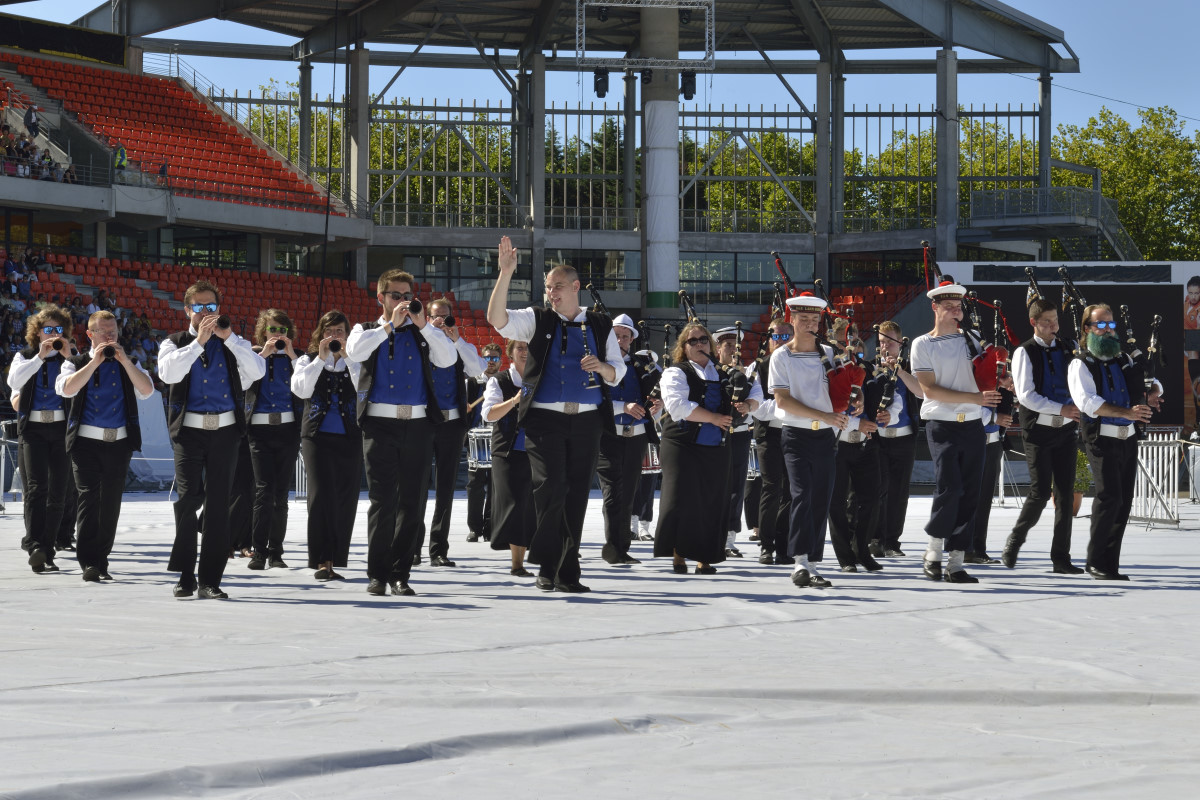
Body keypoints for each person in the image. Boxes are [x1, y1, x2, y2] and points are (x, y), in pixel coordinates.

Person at [487, 236, 624, 593]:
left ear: (576, 287)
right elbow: (497, 319)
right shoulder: (536, 319)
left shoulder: (599, 324)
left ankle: (566, 571)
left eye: (559, 287)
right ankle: (547, 564)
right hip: (544, 421)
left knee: (577, 493)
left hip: (587, 420)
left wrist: (602, 368)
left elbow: (618, 372)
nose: (552, 293)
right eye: (549, 288)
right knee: (550, 489)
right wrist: (505, 274)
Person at [346, 268, 456, 597]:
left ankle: (400, 573)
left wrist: (423, 324)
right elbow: (355, 352)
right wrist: (390, 324)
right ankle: (377, 574)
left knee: (413, 501)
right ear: (380, 297)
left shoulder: (425, 333)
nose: (403, 302)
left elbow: (448, 358)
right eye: (395, 296)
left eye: (408, 296)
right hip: (380, 424)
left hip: (419, 424)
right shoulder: (365, 329)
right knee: (382, 501)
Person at [158, 280, 266, 600]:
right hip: (189, 433)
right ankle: (186, 574)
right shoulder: (174, 343)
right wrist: (198, 343)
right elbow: (168, 373)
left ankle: (211, 579)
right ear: (188, 310)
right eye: (200, 307)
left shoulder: (234, 343)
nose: (206, 313)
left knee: (220, 506)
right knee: (188, 501)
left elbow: (257, 370)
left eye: (212, 307)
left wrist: (227, 338)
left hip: (225, 432)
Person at [910, 280, 1002, 584]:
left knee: (970, 493)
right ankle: (933, 551)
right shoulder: (922, 344)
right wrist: (976, 398)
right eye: (948, 306)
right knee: (950, 487)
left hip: (973, 424)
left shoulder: (974, 340)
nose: (955, 311)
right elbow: (929, 389)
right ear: (935, 308)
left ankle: (956, 562)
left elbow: (989, 373)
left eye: (958, 306)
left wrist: (1003, 380)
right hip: (942, 424)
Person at [56, 311, 154, 582]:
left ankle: (102, 559)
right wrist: (93, 362)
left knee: (110, 503)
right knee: (89, 498)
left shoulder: (130, 361)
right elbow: (66, 389)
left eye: (113, 332)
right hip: (85, 442)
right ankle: (88, 562)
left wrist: (124, 360)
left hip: (119, 442)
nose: (109, 337)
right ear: (90, 335)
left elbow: (147, 390)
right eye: (103, 332)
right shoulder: (74, 362)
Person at [1068, 303, 1162, 580]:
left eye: (1111, 325)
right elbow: (1087, 403)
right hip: (1101, 439)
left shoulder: (1124, 359)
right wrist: (1127, 413)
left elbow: (1149, 380)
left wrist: (1154, 392)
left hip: (1128, 438)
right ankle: (1095, 561)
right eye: (1101, 325)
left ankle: (1110, 564)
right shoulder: (1080, 364)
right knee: (1109, 498)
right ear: (1087, 328)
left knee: (1124, 501)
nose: (1107, 330)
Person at [770, 294, 851, 588]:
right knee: (802, 494)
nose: (809, 324)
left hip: (825, 436)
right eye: (803, 319)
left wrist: (855, 397)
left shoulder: (830, 354)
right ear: (792, 320)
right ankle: (800, 562)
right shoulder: (781, 356)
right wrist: (826, 416)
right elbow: (783, 400)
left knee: (821, 498)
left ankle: (813, 563)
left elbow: (847, 388)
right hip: (796, 434)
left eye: (815, 319)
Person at [1002, 297, 1084, 573]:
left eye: (1055, 320)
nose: (1053, 326)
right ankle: (1016, 539)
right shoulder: (1023, 352)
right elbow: (1026, 396)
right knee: (1039, 493)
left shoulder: (1068, 347)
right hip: (1038, 431)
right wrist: (1062, 408)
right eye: (1047, 322)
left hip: (1066, 431)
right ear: (1033, 323)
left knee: (1065, 495)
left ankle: (1061, 558)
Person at [654, 322, 739, 575]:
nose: (699, 344)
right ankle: (679, 554)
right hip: (681, 443)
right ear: (684, 347)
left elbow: (754, 396)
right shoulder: (675, 373)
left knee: (713, 500)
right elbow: (678, 406)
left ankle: (705, 557)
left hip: (717, 443)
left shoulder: (725, 373)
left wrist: (748, 403)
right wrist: (713, 418)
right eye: (693, 341)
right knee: (681, 499)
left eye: (703, 340)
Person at [417, 296, 489, 567]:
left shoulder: (460, 345)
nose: (440, 321)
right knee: (418, 487)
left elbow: (479, 369)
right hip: (424, 422)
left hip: (452, 423)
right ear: (426, 316)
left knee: (445, 490)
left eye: (446, 316)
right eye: (435, 316)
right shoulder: (419, 342)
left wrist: (457, 339)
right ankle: (413, 547)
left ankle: (438, 550)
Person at [291, 311, 361, 582]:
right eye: (329, 331)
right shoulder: (308, 360)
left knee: (345, 498)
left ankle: (334, 558)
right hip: (316, 437)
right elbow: (301, 390)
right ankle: (321, 559)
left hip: (349, 437)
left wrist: (347, 357)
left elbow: (364, 388)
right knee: (320, 496)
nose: (335, 336)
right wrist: (321, 359)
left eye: (340, 331)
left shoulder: (356, 361)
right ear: (321, 334)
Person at [6, 305, 71, 574]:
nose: (53, 334)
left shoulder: (71, 358)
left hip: (61, 428)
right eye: (48, 329)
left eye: (58, 330)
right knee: (35, 488)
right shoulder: (25, 356)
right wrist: (40, 358)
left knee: (58, 493)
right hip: (32, 429)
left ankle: (47, 548)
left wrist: (71, 356)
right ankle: (34, 545)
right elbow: (13, 381)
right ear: (37, 331)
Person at [597, 313, 662, 565]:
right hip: (608, 435)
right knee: (613, 492)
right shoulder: (599, 363)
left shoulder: (640, 366)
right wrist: (623, 407)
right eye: (616, 335)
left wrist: (658, 405)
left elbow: (656, 395)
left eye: (625, 336)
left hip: (636, 437)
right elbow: (597, 400)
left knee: (629, 492)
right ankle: (614, 547)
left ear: (631, 340)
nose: (621, 339)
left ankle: (621, 547)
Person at [244, 309, 302, 571]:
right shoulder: (254, 356)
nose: (278, 334)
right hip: (259, 430)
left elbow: (305, 384)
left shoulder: (297, 358)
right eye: (272, 329)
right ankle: (259, 550)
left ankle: (276, 551)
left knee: (281, 494)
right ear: (262, 331)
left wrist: (290, 354)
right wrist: (264, 354)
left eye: (282, 330)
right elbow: (243, 381)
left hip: (287, 429)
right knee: (263, 491)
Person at [869, 320, 923, 558]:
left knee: (899, 492)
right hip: (877, 438)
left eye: (890, 342)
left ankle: (892, 541)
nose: (885, 347)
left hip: (904, 438)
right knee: (877, 488)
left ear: (900, 343)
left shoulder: (911, 367)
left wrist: (899, 370)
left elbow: (921, 392)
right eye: (881, 342)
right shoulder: (870, 367)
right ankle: (874, 538)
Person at [483, 338, 536, 577]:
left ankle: (526, 559)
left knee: (532, 506)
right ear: (511, 353)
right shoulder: (499, 381)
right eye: (520, 348)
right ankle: (517, 563)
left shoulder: (542, 377)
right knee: (515, 505)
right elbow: (489, 415)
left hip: (538, 450)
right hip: (508, 451)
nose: (525, 352)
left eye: (528, 348)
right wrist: (515, 400)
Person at [712, 325, 762, 558]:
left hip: (740, 433)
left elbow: (758, 398)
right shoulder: (712, 372)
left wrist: (748, 405)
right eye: (728, 345)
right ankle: (711, 534)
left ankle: (730, 539)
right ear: (718, 348)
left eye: (735, 345)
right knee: (715, 486)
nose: (733, 349)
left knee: (736, 487)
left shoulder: (748, 374)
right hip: (715, 432)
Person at [749, 316, 794, 565]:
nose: (780, 341)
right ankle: (766, 545)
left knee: (790, 492)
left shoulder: (798, 363)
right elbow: (758, 408)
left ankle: (785, 546)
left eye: (785, 336)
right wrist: (787, 407)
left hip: (793, 432)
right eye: (775, 336)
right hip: (769, 434)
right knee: (771, 487)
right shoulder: (759, 367)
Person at [968, 400, 1014, 565]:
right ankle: (962, 548)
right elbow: (965, 401)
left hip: (994, 441)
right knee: (967, 497)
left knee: (984, 499)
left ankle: (978, 549)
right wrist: (994, 417)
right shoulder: (971, 374)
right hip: (970, 440)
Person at [466, 343, 503, 542]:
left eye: (495, 358)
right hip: (475, 439)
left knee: (496, 484)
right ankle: (474, 528)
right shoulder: (472, 382)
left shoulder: (503, 381)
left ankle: (490, 527)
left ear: (501, 361)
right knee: (475, 485)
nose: (491, 361)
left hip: (498, 438)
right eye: (488, 357)